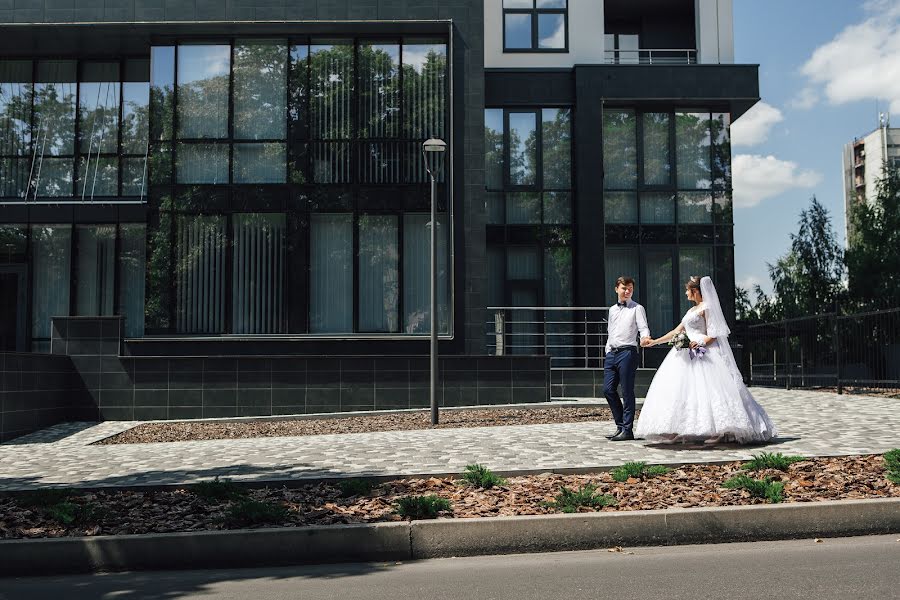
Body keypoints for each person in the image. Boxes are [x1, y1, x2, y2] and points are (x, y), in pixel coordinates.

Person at [634, 276, 777, 444]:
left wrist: (699, 342)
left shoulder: (707, 307)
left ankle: (719, 431)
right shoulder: (690, 311)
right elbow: (676, 331)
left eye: (687, 290)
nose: (686, 293)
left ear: (695, 291)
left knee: (711, 390)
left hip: (704, 353)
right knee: (685, 391)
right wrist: (655, 342)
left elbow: (714, 334)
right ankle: (682, 428)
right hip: (685, 354)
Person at [603, 276, 652, 441]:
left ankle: (628, 429)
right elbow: (611, 331)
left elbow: (643, 327)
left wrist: (645, 338)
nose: (627, 291)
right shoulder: (612, 310)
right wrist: (608, 349)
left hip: (627, 353)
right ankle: (620, 426)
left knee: (627, 391)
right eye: (624, 288)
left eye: (630, 288)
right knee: (608, 390)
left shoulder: (637, 308)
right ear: (616, 289)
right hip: (612, 353)